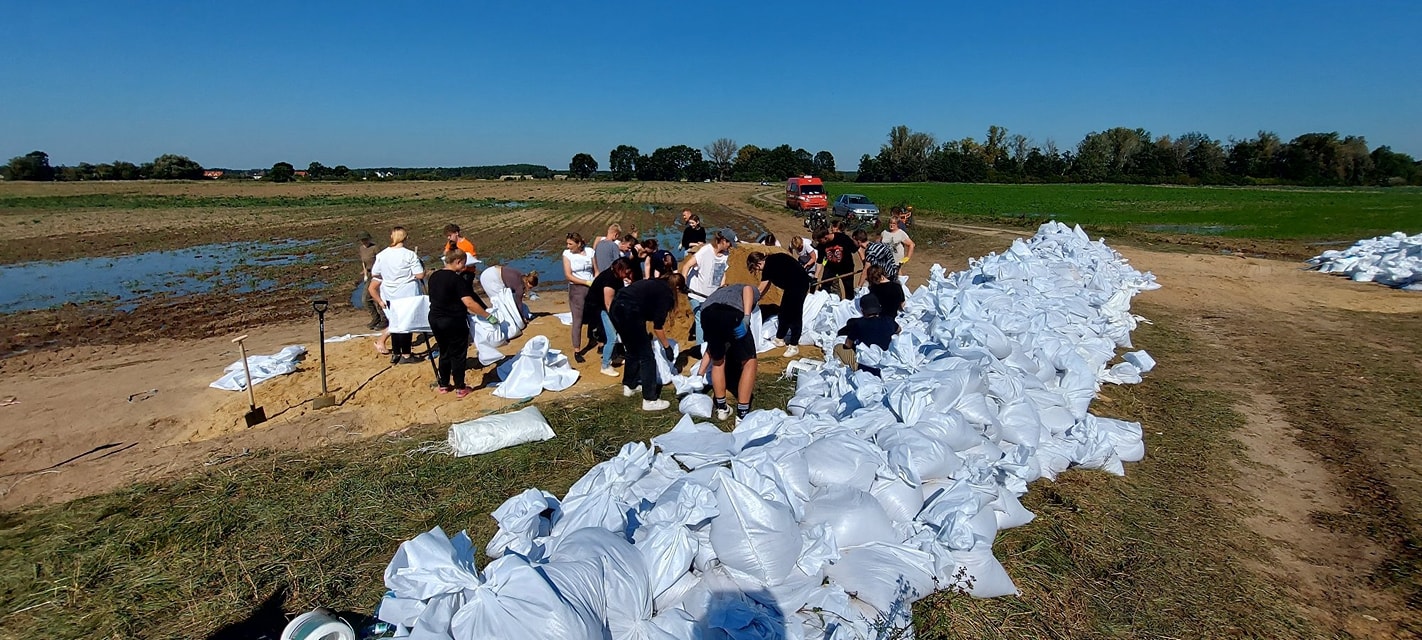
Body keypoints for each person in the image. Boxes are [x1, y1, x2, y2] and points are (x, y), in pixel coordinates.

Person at [609, 273, 688, 411]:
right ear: (676, 287)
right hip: (630, 311)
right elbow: (658, 327)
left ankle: (629, 385)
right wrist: (667, 347)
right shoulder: (666, 295)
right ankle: (650, 400)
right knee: (647, 357)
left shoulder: (654, 283)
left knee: (632, 350)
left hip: (616, 307)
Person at [427, 250, 495, 397]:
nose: (465, 266)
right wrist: (487, 315)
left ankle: (443, 384)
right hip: (453, 320)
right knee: (458, 353)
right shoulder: (457, 280)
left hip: (435, 319)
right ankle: (460, 387)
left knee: (444, 351)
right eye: (464, 263)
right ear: (458, 261)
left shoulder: (434, 276)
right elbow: (469, 302)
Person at [699, 283, 761, 421]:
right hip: (732, 314)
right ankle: (742, 415)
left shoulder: (716, 294)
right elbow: (748, 289)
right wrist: (746, 318)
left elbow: (711, 348)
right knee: (749, 361)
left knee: (718, 360)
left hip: (707, 314)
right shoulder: (742, 287)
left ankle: (722, 409)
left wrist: (700, 374)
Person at [368, 226, 426, 363]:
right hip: (407, 293)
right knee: (406, 325)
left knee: (395, 324)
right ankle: (406, 354)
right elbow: (419, 275)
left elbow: (376, 273)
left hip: (389, 293)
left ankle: (396, 353)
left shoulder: (382, 255)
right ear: (405, 238)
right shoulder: (409, 254)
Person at [747, 251, 810, 358]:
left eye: (756, 269)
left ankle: (794, 345)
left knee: (795, 314)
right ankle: (779, 338)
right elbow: (766, 287)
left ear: (757, 264)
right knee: (783, 311)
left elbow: (761, 288)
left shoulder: (769, 266)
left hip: (799, 284)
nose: (758, 271)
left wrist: (750, 301)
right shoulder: (772, 261)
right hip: (791, 285)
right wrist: (758, 298)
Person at [681, 230, 732, 347]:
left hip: (711, 294)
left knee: (712, 318)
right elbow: (686, 266)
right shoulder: (705, 251)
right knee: (701, 318)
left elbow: (722, 271)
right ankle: (702, 348)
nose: (730, 247)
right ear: (723, 241)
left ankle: (712, 342)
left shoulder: (725, 254)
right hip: (696, 293)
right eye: (729, 243)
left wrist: (722, 286)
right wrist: (683, 284)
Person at [585, 257, 634, 377]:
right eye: (626, 272)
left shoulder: (615, 274)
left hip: (606, 305)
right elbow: (608, 304)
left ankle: (615, 356)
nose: (627, 274)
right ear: (620, 269)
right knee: (611, 336)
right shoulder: (609, 281)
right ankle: (605, 365)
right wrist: (616, 319)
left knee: (616, 332)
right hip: (601, 308)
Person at [836, 292, 898, 376]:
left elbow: (847, 344)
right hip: (887, 363)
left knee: (838, 348)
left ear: (862, 310)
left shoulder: (859, 324)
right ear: (879, 308)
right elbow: (899, 330)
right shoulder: (889, 321)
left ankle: (843, 372)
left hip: (866, 367)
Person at [562, 232, 597, 362]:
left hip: (591, 288)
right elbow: (568, 275)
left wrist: (595, 281)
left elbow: (596, 270)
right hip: (577, 289)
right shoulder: (567, 255)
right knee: (578, 319)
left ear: (579, 243)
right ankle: (577, 350)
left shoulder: (590, 252)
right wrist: (585, 282)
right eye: (567, 243)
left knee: (594, 315)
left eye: (570, 244)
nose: (568, 246)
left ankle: (595, 340)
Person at [815, 227, 858, 300]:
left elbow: (855, 249)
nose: (819, 242)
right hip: (831, 267)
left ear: (825, 237)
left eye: (820, 240)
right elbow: (819, 261)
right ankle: (823, 304)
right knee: (824, 287)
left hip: (846, 267)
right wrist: (815, 277)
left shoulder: (842, 238)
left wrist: (865, 263)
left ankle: (849, 306)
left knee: (849, 290)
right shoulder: (821, 245)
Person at [357, 231, 387, 330]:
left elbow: (381, 261)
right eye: (362, 240)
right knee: (365, 299)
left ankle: (384, 319)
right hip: (369, 274)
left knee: (376, 297)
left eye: (366, 239)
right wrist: (365, 274)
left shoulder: (375, 248)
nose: (364, 241)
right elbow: (363, 263)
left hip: (377, 275)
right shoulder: (361, 249)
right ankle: (376, 318)